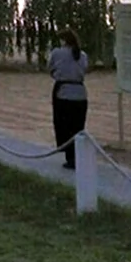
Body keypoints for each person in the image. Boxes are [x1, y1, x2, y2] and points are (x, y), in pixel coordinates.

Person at [49, 29, 89, 169]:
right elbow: (85, 70)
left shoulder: (56, 53)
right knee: (78, 126)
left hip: (63, 93)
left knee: (63, 126)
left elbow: (51, 69)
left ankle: (70, 157)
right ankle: (78, 156)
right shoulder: (82, 55)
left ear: (63, 40)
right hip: (80, 93)